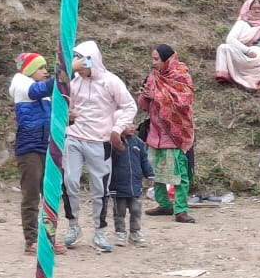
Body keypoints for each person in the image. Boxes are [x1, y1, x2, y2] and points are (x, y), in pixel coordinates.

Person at [64, 41, 138, 252]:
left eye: (81, 61)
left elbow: (129, 106)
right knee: (70, 181)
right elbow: (58, 99)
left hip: (99, 141)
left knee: (100, 188)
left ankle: (99, 231)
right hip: (74, 137)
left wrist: (117, 129)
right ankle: (73, 225)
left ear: (91, 60)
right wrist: (65, 114)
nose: (78, 65)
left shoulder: (110, 81)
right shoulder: (74, 82)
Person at [10, 52, 63, 254]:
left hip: (46, 146)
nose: (45, 71)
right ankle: (31, 240)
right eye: (41, 68)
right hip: (29, 148)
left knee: (50, 195)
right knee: (31, 195)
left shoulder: (44, 93)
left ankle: (48, 238)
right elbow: (40, 89)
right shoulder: (22, 85)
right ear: (30, 70)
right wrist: (67, 70)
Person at [138, 45, 197, 224]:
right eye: (152, 59)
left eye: (156, 59)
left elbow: (184, 101)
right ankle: (164, 204)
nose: (153, 63)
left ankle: (181, 210)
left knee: (178, 174)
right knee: (155, 171)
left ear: (167, 59)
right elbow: (146, 106)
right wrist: (145, 96)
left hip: (176, 132)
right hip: (156, 132)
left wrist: (156, 95)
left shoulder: (181, 76)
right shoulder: (153, 77)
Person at [108, 122, 151, 246]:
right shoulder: (111, 143)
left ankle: (135, 233)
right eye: (128, 124)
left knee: (136, 209)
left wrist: (150, 174)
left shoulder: (138, 143)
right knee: (119, 211)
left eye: (133, 124)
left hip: (135, 184)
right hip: (117, 184)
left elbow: (144, 160)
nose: (132, 127)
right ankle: (120, 233)